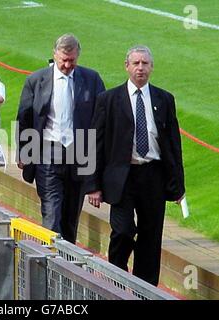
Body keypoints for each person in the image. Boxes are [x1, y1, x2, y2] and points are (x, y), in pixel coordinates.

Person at [88, 45, 185, 286]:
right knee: (122, 230)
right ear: (127, 66)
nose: (140, 68)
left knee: (151, 237)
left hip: (153, 175)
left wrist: (177, 186)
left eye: (145, 63)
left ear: (151, 67)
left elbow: (173, 144)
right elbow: (94, 143)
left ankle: (145, 287)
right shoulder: (108, 99)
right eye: (136, 63)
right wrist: (92, 185)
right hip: (122, 177)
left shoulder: (164, 99)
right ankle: (117, 277)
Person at [16, 34, 105, 243]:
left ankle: (66, 270)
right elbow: (25, 118)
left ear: (78, 57)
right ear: (54, 55)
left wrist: (96, 168)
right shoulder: (36, 81)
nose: (67, 65)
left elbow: (101, 123)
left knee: (70, 219)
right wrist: (24, 152)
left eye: (71, 60)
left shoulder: (92, 80)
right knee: (52, 214)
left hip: (79, 157)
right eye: (63, 60)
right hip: (47, 155)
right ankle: (50, 265)